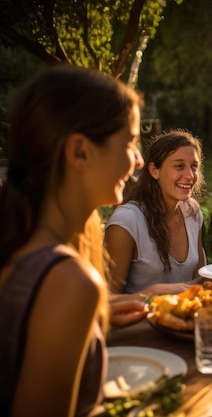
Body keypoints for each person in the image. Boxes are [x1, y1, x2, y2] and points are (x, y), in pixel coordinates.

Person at [0, 64, 144, 417]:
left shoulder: (18, 241)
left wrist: (93, 319)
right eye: (129, 143)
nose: (138, 160)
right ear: (80, 151)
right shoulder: (69, 282)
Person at [105, 130, 207, 294]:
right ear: (154, 170)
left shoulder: (192, 212)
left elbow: (201, 279)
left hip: (189, 316)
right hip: (141, 319)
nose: (190, 175)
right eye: (179, 166)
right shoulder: (127, 222)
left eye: (194, 166)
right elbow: (106, 301)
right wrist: (154, 292)